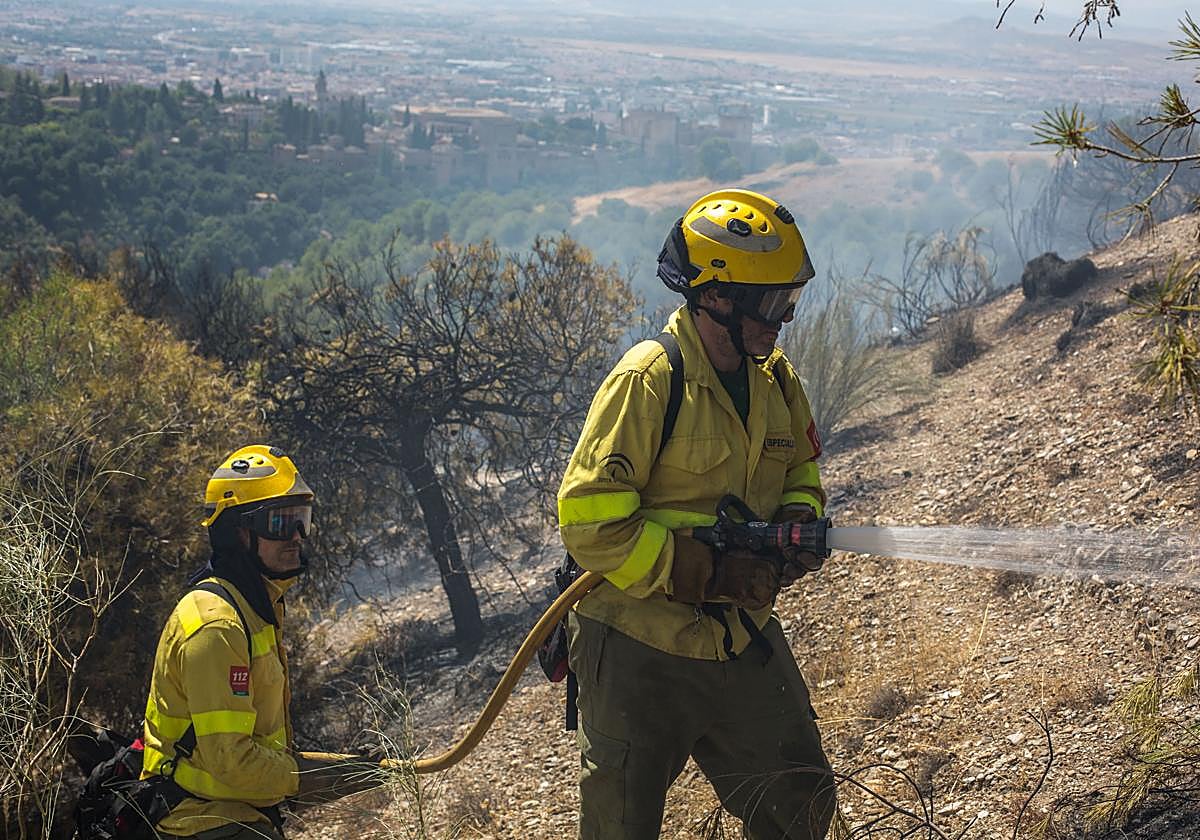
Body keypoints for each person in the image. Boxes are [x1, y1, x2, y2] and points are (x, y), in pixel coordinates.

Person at [557, 189, 837, 840]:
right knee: (619, 829)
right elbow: (589, 519)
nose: (783, 319)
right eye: (771, 303)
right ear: (716, 297)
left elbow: (800, 464)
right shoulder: (650, 379)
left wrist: (795, 523)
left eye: (788, 302)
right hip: (636, 646)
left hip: (738, 635)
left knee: (801, 804)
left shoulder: (776, 378)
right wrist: (704, 572)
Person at [141, 445, 375, 839]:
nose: (297, 537)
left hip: (235, 813)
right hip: (199, 820)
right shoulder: (217, 626)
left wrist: (350, 771)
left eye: (302, 521)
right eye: (281, 524)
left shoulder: (256, 608)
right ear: (238, 533)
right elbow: (231, 762)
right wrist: (313, 778)